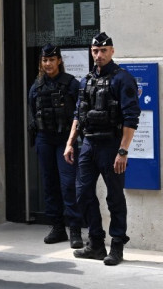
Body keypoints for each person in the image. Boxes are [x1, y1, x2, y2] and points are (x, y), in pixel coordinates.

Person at [64, 32, 140, 266]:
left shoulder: (122, 79)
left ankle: (116, 246)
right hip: (88, 144)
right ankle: (96, 243)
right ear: (91, 52)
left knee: (115, 197)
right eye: (95, 51)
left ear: (112, 51)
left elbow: (130, 118)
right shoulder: (86, 80)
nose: (99, 55)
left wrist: (123, 151)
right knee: (83, 193)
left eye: (104, 50)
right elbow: (79, 114)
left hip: (111, 146)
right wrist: (70, 142)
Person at [28, 44, 83, 248]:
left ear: (59, 60)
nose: (48, 64)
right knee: (49, 184)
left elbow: (80, 114)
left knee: (68, 184)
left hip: (65, 139)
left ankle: (75, 228)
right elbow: (32, 110)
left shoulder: (71, 84)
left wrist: (73, 140)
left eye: (52, 60)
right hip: (44, 138)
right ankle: (57, 227)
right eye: (45, 60)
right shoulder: (37, 86)